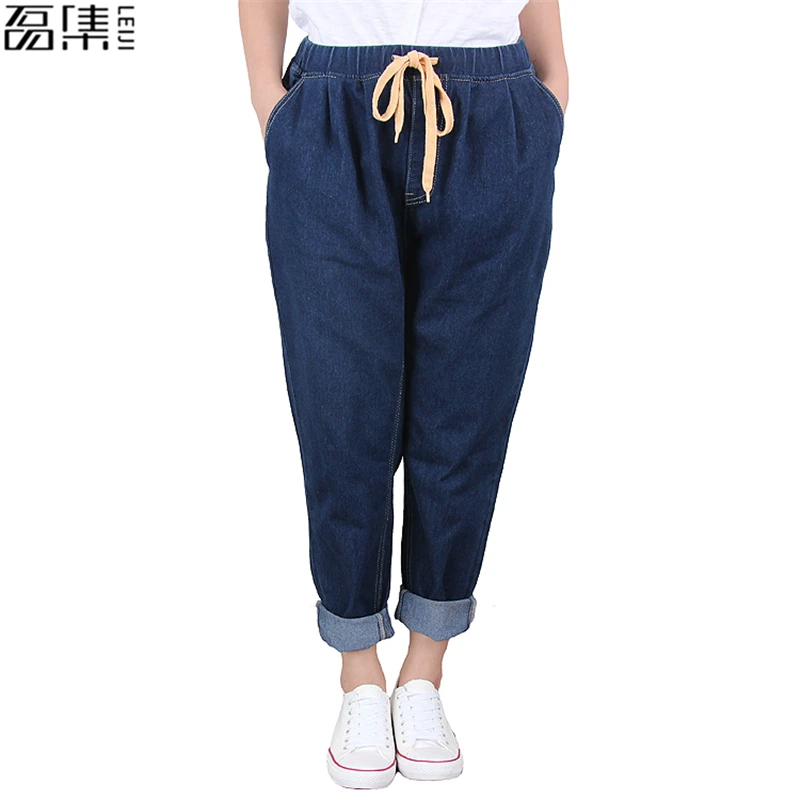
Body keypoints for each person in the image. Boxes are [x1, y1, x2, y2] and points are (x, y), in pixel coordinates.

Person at [239, 0, 567, 788]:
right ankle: (359, 671)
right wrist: (271, 106)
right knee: (339, 403)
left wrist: (550, 98)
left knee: (469, 402)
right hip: (331, 113)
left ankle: (425, 669)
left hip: (494, 114)